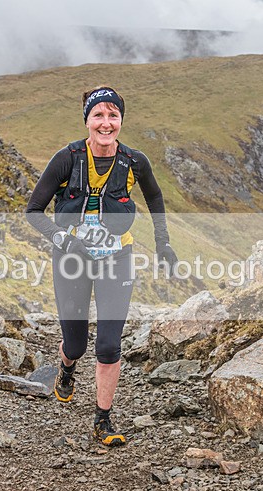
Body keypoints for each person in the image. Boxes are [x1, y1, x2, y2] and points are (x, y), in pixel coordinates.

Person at [25, 86, 178, 446]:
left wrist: (163, 243)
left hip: (117, 258)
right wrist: (63, 239)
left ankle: (102, 420)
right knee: (75, 344)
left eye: (113, 115)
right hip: (71, 259)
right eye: (99, 115)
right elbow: (33, 211)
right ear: (87, 120)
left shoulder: (135, 161)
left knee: (108, 346)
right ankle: (66, 368)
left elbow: (155, 197)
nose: (106, 123)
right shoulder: (67, 158)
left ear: (121, 120)